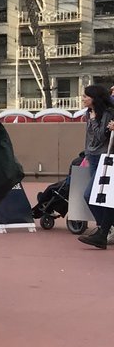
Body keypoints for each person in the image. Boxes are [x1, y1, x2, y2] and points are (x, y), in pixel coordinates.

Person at [78, 85, 114, 249]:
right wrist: (86, 153)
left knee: (91, 195)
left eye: (86, 96)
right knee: (100, 198)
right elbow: (89, 137)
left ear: (94, 98)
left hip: (103, 158)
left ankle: (103, 230)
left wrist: (93, 120)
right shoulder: (88, 113)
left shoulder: (105, 114)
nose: (83, 98)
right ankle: (104, 230)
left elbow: (100, 137)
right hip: (92, 156)